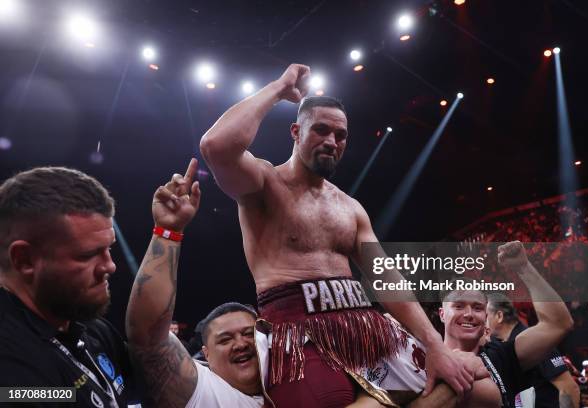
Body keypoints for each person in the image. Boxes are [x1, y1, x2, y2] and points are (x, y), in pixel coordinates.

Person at [200, 63, 472, 406]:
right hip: (297, 333)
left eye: (340, 135)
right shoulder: (264, 184)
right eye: (321, 130)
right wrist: (278, 88)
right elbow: (216, 145)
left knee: (464, 377)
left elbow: (387, 280)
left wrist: (434, 344)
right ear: (296, 131)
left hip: (364, 325)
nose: (331, 141)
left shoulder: (350, 207)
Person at [125, 159, 270, 407]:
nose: (241, 344)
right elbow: (148, 336)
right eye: (225, 339)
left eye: (249, 334)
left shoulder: (298, 380)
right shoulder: (204, 391)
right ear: (206, 355)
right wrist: (168, 231)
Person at [0, 167, 135, 407]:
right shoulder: (10, 364)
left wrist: (168, 233)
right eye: (87, 255)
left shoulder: (86, 323)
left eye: (109, 248)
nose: (110, 266)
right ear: (25, 260)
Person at [438, 241, 574, 408]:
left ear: (486, 316)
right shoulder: (423, 359)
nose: (469, 314)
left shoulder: (501, 355)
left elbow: (558, 324)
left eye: (477, 307)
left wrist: (523, 268)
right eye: (458, 306)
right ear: (442, 314)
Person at [487, 292, 580, 408]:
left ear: (499, 316)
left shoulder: (532, 342)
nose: (482, 320)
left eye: (486, 316)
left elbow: (569, 388)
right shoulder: (501, 345)